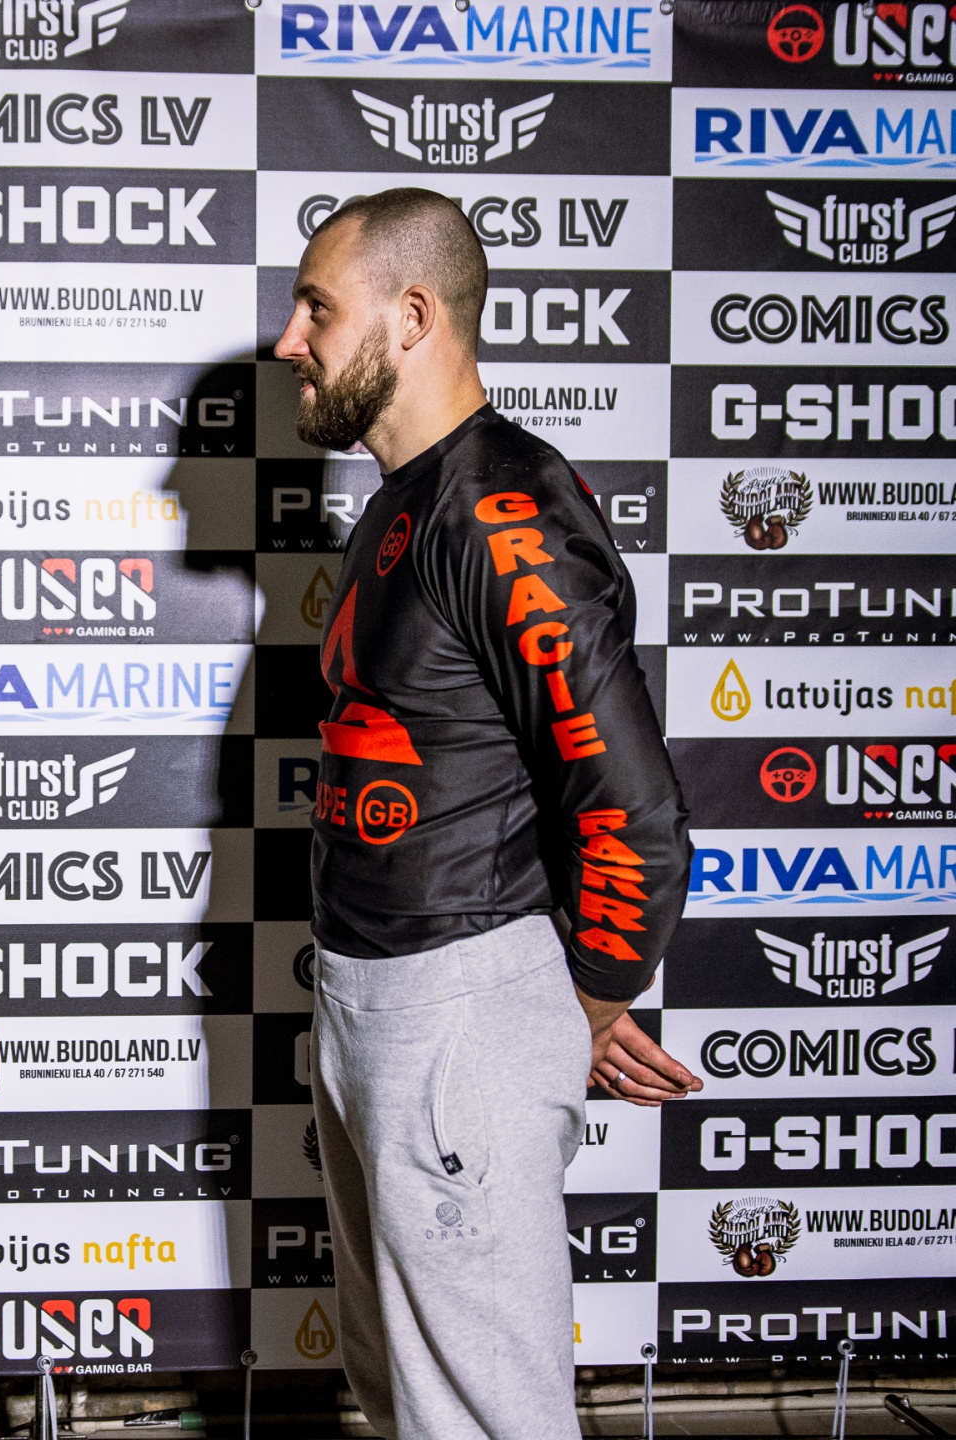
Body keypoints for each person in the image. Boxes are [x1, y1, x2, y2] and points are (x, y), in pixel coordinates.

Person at [274, 188, 702, 1440]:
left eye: (316, 309)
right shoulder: (406, 498)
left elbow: (631, 807)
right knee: (408, 1398)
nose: (291, 341)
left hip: (454, 1013)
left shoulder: (501, 506)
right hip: (375, 996)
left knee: (483, 1415)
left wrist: (580, 1003)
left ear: (411, 317)